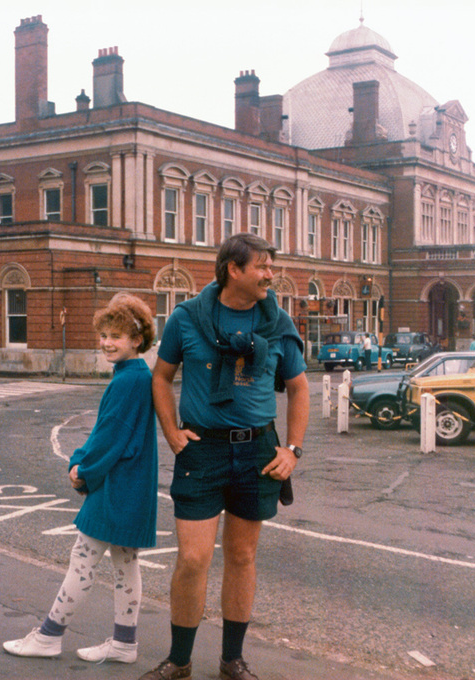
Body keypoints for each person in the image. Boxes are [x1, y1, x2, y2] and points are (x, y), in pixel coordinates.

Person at [142, 233, 309, 680]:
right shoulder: (187, 318)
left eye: (271, 265)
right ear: (233, 270)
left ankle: (232, 660)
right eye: (262, 266)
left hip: (257, 451)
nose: (271, 274)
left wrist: (292, 450)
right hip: (203, 450)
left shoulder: (278, 323)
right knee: (193, 559)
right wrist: (171, 431)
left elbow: (298, 388)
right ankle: (179, 662)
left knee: (241, 556)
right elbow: (161, 377)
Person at [3, 293, 158, 665]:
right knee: (125, 562)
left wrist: (82, 470)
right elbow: (114, 433)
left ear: (137, 340)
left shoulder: (127, 381)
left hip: (116, 487)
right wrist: (83, 461)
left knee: (83, 558)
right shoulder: (138, 376)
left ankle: (49, 636)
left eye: (116, 336)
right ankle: (124, 643)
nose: (106, 342)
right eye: (104, 334)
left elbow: (110, 436)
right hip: (133, 486)